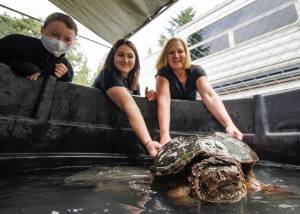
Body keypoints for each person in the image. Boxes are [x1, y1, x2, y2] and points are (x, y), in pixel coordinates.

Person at [152, 37, 243, 145]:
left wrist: (229, 124)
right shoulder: (163, 73)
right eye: (171, 52)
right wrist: (165, 135)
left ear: (186, 53)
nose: (176, 55)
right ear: (166, 56)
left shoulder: (196, 71)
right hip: (171, 122)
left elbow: (209, 95)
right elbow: (164, 101)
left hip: (192, 122)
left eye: (180, 51)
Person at [92, 39, 161, 158]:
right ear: (113, 57)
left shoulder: (135, 84)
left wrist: (150, 96)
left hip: (119, 140)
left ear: (136, 60)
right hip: (97, 136)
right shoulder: (108, 74)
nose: (125, 60)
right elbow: (131, 107)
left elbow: (137, 111)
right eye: (120, 55)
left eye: (130, 56)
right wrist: (148, 142)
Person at [0, 12, 77, 82]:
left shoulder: (67, 68)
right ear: (42, 30)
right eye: (54, 34)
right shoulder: (15, 42)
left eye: (67, 39)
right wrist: (20, 66)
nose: (59, 42)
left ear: (73, 42)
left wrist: (62, 77)